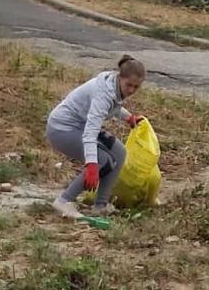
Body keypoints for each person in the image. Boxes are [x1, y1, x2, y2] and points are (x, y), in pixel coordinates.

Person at [46, 55, 146, 218]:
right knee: (102, 160)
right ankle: (64, 200)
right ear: (120, 77)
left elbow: (113, 106)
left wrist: (128, 117)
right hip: (61, 129)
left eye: (136, 87)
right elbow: (90, 133)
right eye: (129, 85)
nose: (131, 90)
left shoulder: (113, 85)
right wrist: (92, 165)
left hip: (80, 126)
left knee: (119, 152)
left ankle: (100, 206)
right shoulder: (103, 94)